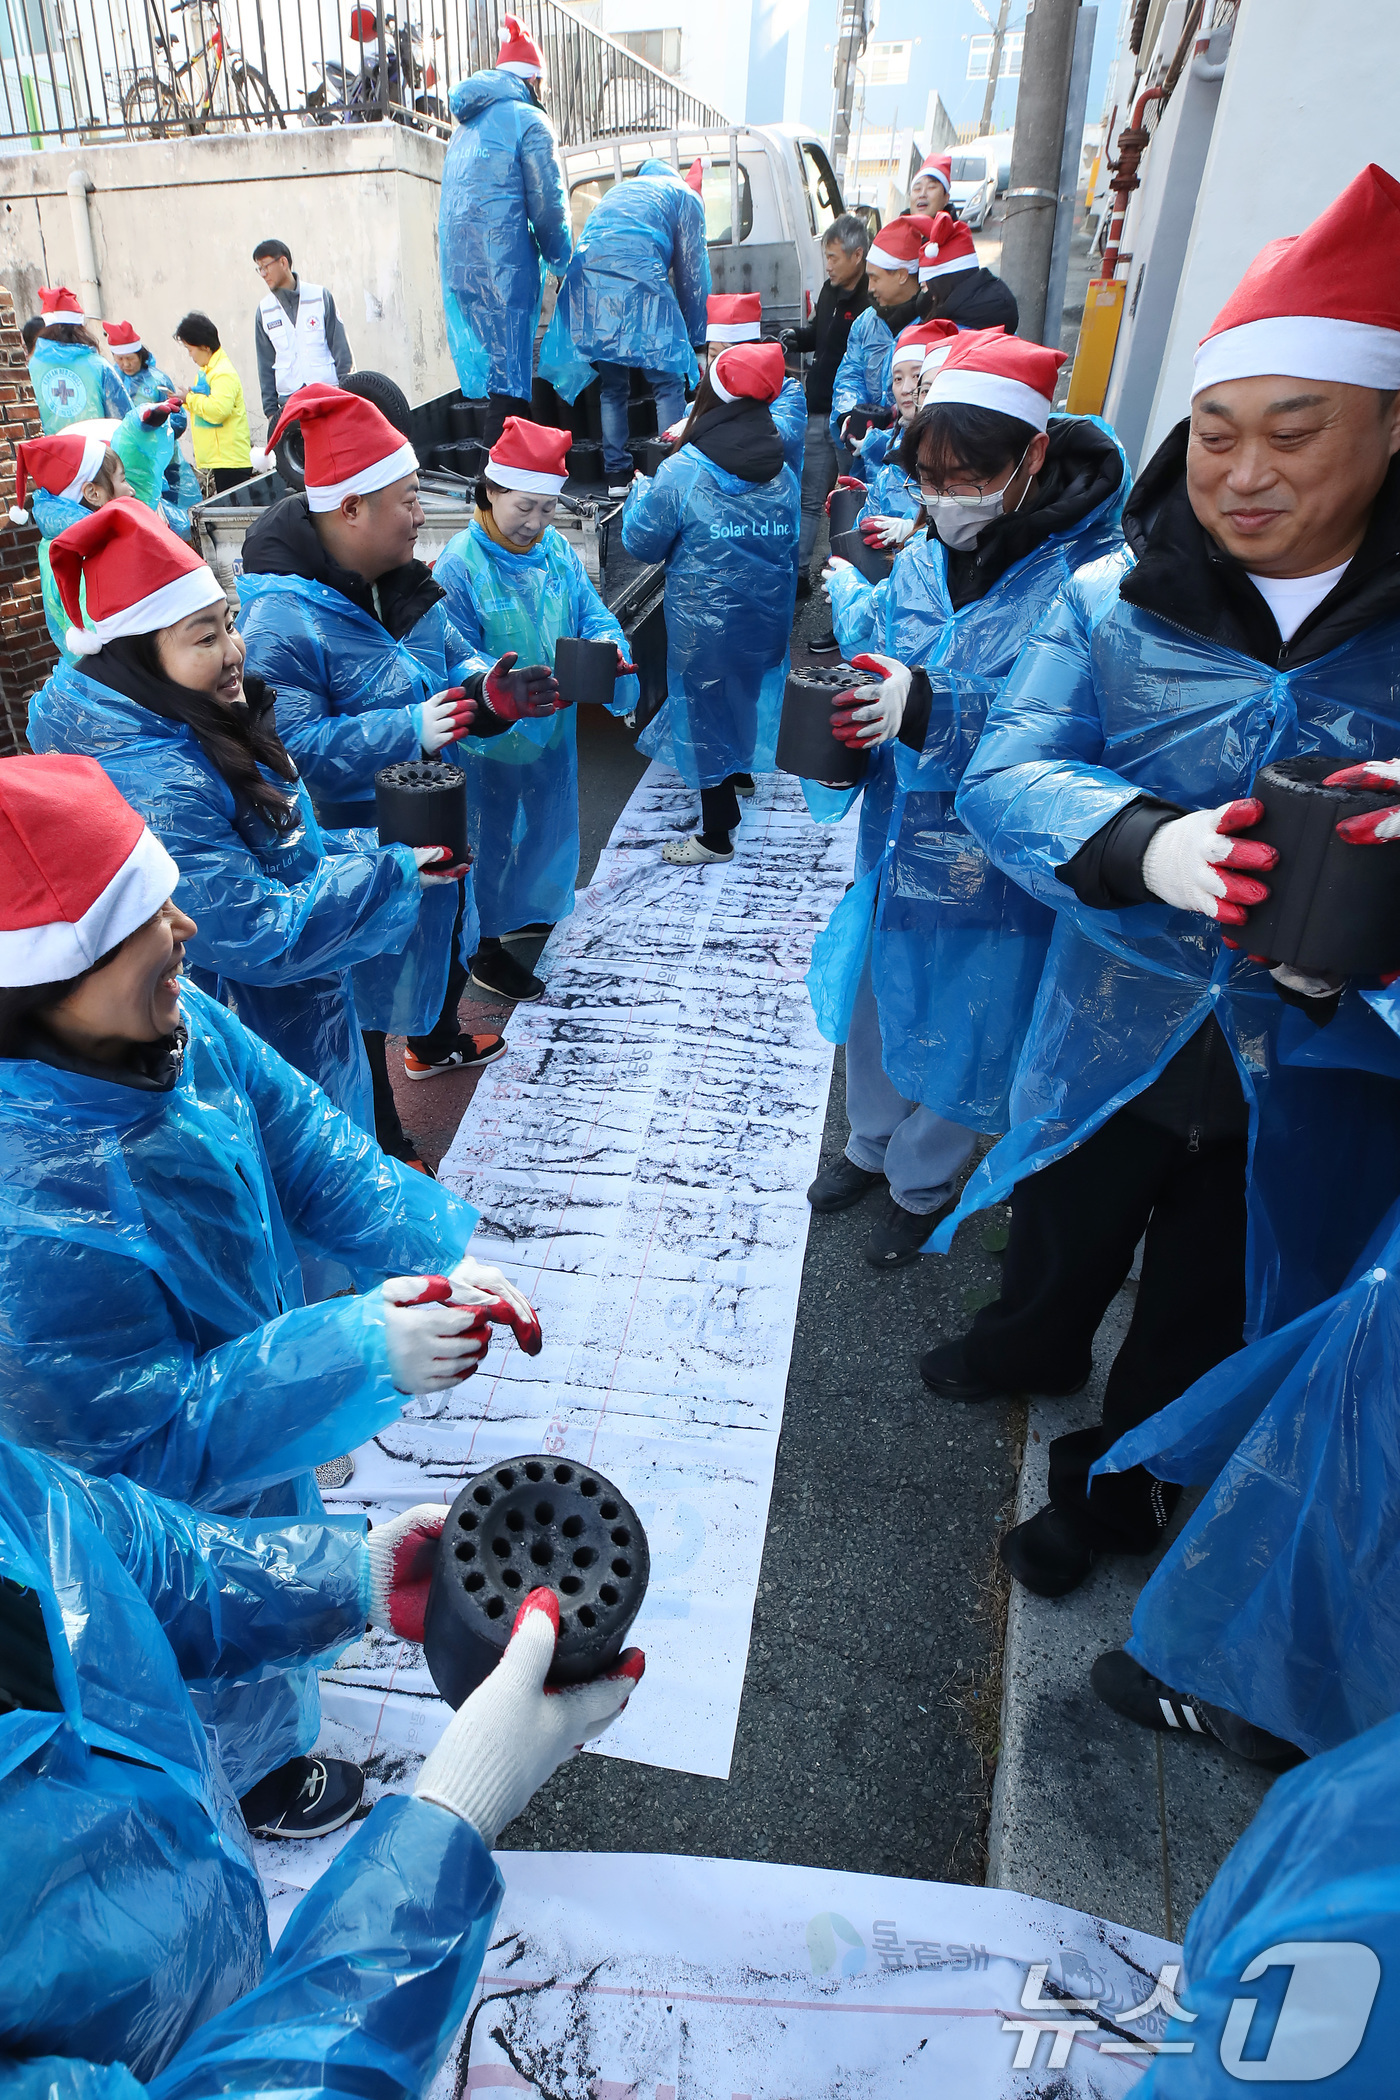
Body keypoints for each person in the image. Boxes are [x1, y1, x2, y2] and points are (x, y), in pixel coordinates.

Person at [923, 164, 1400, 1603]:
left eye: (1293, 436)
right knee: (1068, 1204)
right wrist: (1149, 845)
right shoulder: (1110, 600)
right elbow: (1009, 773)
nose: (1243, 475)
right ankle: (1033, 1338)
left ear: (1387, 428)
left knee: (1213, 1284)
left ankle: (1119, 1486)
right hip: (1116, 1006)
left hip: (1311, 1064)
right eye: (1216, 437)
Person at [0, 751, 541, 1830]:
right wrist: (356, 1352)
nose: (185, 930)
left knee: (270, 1548)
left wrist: (429, 1255)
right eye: (146, 917)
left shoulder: (171, 1028)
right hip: (169, 1495)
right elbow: (131, 1468)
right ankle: (248, 1780)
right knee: (190, 1628)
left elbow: (306, 1146)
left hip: (261, 1407)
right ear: (51, 979)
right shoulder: (27, 1215)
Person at [0, 1437, 641, 2091]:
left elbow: (110, 1549)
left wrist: (343, 1577)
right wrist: (450, 1825)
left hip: (197, 1930)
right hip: (132, 2049)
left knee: (232, 1999)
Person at [807, 332, 1128, 1269]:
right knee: (877, 1000)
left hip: (1000, 860)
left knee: (970, 1027)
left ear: (1031, 455)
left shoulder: (1093, 577)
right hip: (898, 835)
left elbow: (1080, 726)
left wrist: (933, 709)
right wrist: (852, 747)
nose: (946, 499)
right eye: (930, 478)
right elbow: (891, 669)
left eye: (968, 475)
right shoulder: (923, 555)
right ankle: (869, 1145)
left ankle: (923, 1180)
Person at [26, 497, 479, 1146]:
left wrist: (387, 850)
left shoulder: (194, 729)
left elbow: (286, 855)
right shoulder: (159, 783)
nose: (236, 650)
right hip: (258, 1046)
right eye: (204, 638)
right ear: (138, 656)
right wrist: (391, 870)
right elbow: (255, 932)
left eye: (228, 624)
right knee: (307, 1189)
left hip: (294, 1027)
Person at [236, 385, 557, 1142]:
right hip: (354, 851)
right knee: (356, 998)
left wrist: (489, 687)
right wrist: (409, 727)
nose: (422, 514)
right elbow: (295, 753)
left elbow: (449, 657)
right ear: (351, 510)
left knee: (438, 942)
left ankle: (436, 1039)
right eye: (409, 499)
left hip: (429, 817)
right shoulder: (284, 618)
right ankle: (386, 1135)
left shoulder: (401, 582)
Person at [433, 419, 639, 1003]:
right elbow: (451, 654)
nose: (537, 523)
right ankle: (483, 948)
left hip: (550, 729)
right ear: (491, 490)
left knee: (545, 827)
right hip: (487, 740)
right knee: (486, 838)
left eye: (548, 509)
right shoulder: (459, 564)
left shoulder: (553, 551)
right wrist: (493, 688)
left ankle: (523, 910)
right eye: (526, 506)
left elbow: (591, 614)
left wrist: (611, 650)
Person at [622, 341, 799, 864]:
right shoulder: (782, 472)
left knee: (704, 713)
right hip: (765, 620)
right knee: (744, 693)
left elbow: (641, 543)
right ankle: (742, 773)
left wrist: (640, 494)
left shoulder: (684, 472)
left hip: (706, 629)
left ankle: (717, 833)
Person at [438, 14, 572, 445]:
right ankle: (489, 494)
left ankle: (514, 481)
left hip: (463, 273)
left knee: (504, 384)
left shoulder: (463, 131)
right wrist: (563, 259)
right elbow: (549, 205)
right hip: (504, 272)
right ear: (534, 80)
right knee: (510, 393)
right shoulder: (529, 122)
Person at [555, 156, 710, 498]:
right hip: (639, 280)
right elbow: (692, 276)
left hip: (592, 288)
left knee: (613, 388)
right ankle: (670, 473)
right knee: (667, 383)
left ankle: (617, 476)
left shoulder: (618, 193)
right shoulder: (681, 194)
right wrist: (697, 342)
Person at [8, 416, 182, 662]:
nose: (131, 490)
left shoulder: (61, 541)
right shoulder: (84, 553)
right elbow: (108, 641)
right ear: (93, 493)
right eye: (122, 480)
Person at [780, 213, 873, 596]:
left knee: (853, 500)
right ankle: (799, 574)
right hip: (817, 410)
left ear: (858, 255)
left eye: (834, 257)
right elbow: (819, 335)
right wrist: (793, 338)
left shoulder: (872, 298)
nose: (829, 265)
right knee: (809, 497)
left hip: (852, 421)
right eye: (827, 257)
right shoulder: (829, 289)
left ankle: (852, 580)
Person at [700, 294, 806, 484]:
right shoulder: (697, 407)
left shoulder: (787, 393)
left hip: (773, 502)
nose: (718, 366)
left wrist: (696, 429)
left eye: (728, 356)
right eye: (712, 356)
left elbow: (772, 438)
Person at [252, 236, 354, 432]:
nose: (263, 274)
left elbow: (341, 348)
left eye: (266, 266)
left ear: (283, 262)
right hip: (291, 405)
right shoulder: (264, 311)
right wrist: (271, 411)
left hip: (329, 398)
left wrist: (348, 392)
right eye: (259, 269)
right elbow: (265, 364)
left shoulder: (319, 297)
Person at [103, 317, 201, 514]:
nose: (125, 364)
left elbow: (178, 418)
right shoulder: (112, 381)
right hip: (127, 459)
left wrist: (155, 431)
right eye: (119, 359)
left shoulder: (157, 381)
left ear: (140, 354)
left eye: (130, 358)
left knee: (172, 505)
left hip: (161, 456)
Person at [27, 285, 132, 431]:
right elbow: (125, 420)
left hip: (48, 451)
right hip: (97, 450)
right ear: (81, 328)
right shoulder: (98, 365)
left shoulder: (32, 367)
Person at [172, 312, 253, 496]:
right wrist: (187, 398)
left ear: (204, 347)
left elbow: (218, 410)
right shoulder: (209, 371)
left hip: (231, 461)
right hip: (222, 460)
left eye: (189, 349)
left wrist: (190, 399)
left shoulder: (222, 372)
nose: (190, 355)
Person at [920, 211, 1019, 331]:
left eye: (928, 284)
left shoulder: (958, 328)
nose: (928, 292)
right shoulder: (991, 299)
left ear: (944, 281)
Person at [909, 150, 952, 216]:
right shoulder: (895, 226)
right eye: (917, 188)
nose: (922, 194)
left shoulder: (958, 226)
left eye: (931, 187)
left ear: (946, 198)